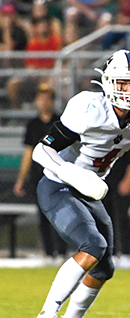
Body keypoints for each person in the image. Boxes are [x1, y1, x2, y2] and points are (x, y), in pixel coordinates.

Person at [26, 49, 130, 318]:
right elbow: (41, 150)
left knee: (104, 267)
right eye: (122, 83)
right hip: (58, 185)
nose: (128, 90)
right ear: (108, 82)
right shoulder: (88, 107)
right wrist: (70, 172)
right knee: (92, 245)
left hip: (90, 192)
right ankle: (45, 317)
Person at [13, 84, 67, 263]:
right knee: (43, 216)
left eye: (47, 98)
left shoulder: (60, 122)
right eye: (40, 99)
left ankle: (61, 251)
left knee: (61, 215)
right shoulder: (33, 124)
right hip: (39, 178)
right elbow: (28, 152)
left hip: (59, 177)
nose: (43, 103)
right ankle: (49, 252)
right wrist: (21, 179)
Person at [103, 147, 130, 270]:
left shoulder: (126, 132)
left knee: (123, 219)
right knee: (105, 219)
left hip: (121, 180)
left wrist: (128, 180)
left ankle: (126, 254)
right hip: (103, 181)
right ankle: (109, 254)